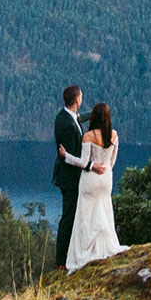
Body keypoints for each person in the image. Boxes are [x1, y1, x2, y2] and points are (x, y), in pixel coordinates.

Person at [65, 102, 127, 270]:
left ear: (93, 117)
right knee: (104, 212)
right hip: (106, 178)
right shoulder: (114, 135)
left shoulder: (88, 136)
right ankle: (105, 247)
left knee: (85, 215)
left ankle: (86, 251)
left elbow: (83, 162)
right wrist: (106, 170)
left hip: (90, 179)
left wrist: (66, 156)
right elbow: (112, 161)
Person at [52, 85, 93, 270]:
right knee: (68, 218)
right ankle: (61, 261)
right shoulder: (68, 126)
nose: (82, 99)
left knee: (72, 215)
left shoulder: (66, 116)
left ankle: (70, 256)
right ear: (77, 100)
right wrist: (91, 166)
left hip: (68, 177)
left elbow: (78, 118)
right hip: (70, 178)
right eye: (81, 97)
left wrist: (94, 114)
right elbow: (72, 156)